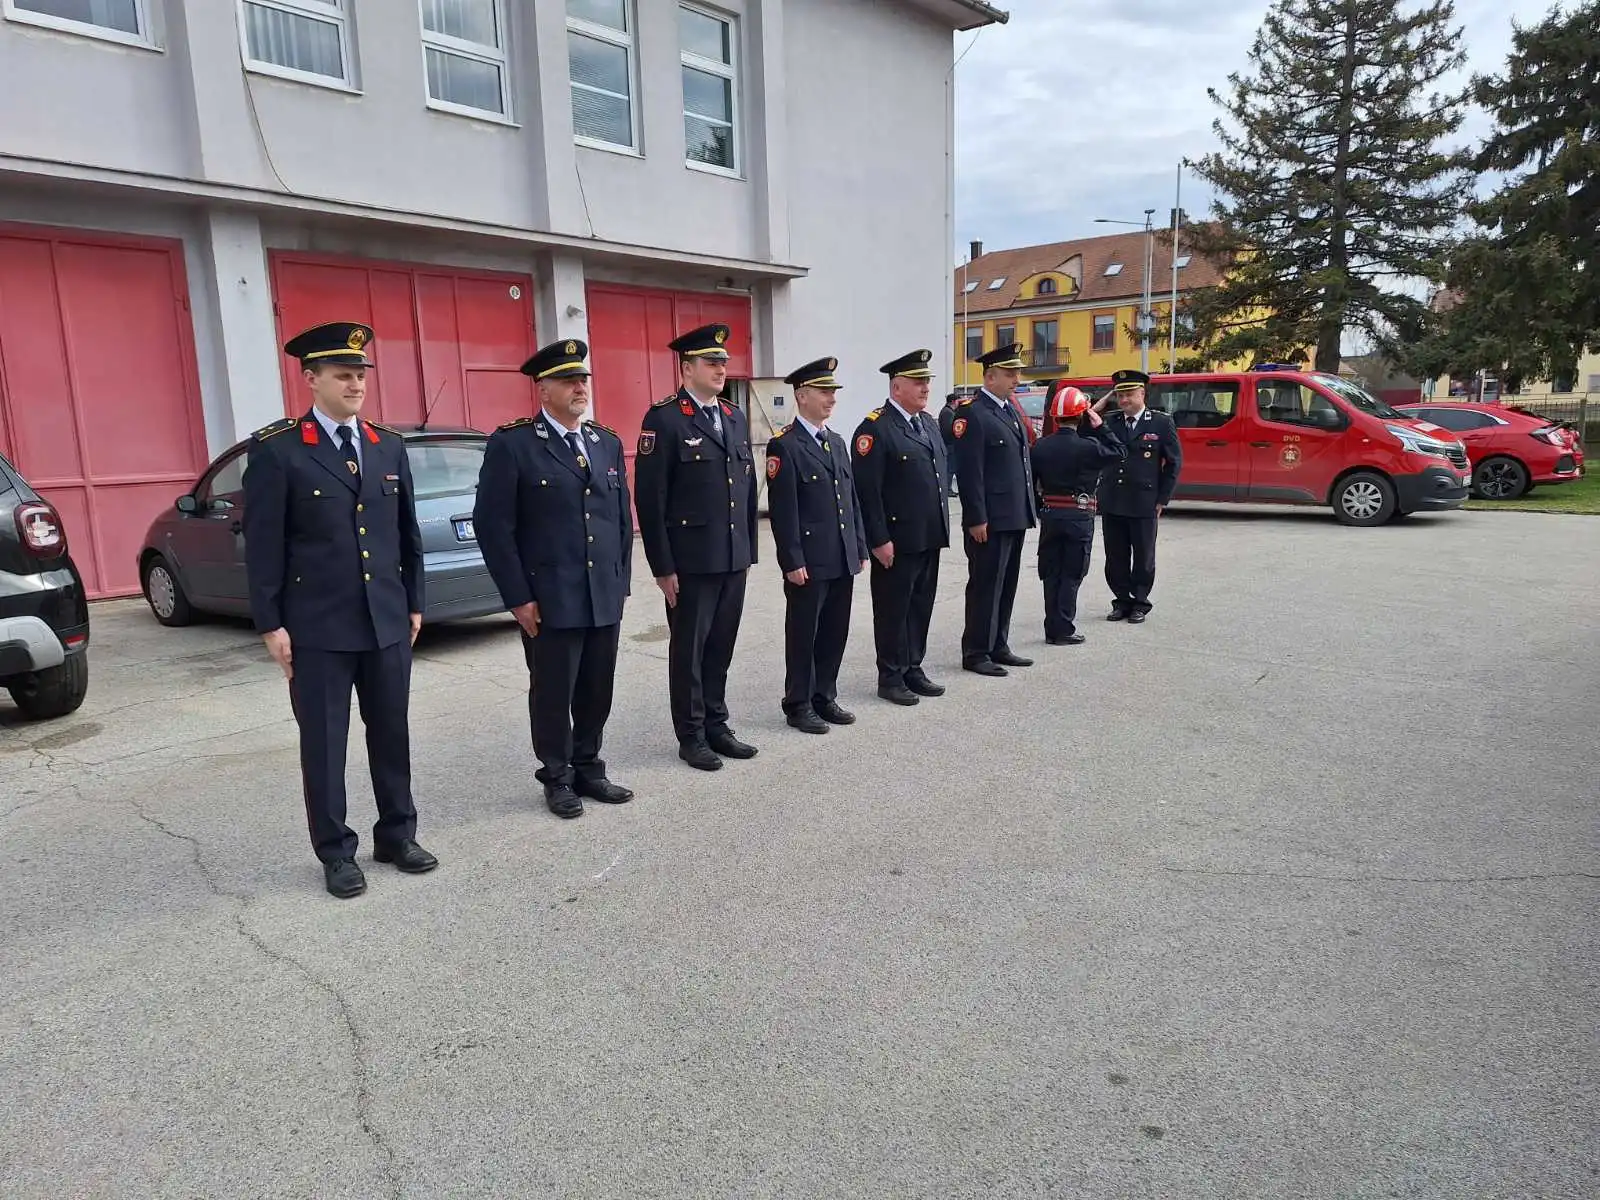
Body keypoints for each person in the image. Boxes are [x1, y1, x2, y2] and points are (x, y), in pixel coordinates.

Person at [242, 321, 436, 899]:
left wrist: (415, 603)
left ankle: (397, 835)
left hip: (385, 619)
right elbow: (263, 544)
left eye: (360, 375)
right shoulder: (278, 450)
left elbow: (407, 536)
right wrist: (270, 623)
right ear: (311, 378)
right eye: (342, 375)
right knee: (324, 743)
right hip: (317, 625)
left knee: (391, 733)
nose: (355, 384)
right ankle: (335, 851)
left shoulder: (386, 444)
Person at [473, 338, 634, 820]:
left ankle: (589, 765)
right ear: (543, 389)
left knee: (596, 685)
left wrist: (620, 580)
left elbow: (621, 520)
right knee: (553, 689)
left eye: (583, 378)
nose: (580, 386)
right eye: (568, 380)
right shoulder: (514, 444)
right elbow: (493, 527)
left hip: (601, 591)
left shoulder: (604, 442)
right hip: (550, 595)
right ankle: (557, 775)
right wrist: (518, 597)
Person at [633, 323, 760, 771]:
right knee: (689, 648)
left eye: (724, 362)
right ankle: (691, 734)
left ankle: (716, 724)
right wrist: (663, 567)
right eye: (712, 362)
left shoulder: (733, 416)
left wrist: (748, 551)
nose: (721, 369)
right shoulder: (664, 419)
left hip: (731, 556)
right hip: (690, 561)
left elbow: (747, 487)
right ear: (687, 367)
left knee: (721, 643)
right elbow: (650, 499)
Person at [765, 357, 868, 733]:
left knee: (834, 630)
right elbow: (784, 511)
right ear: (802, 395)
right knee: (804, 634)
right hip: (809, 561)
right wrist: (791, 560)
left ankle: (825, 695)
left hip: (841, 556)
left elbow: (851, 500)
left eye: (833, 392)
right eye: (825, 392)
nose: (832, 399)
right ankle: (798, 702)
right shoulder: (785, 447)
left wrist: (858, 546)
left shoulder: (837, 443)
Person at [851, 349, 950, 706]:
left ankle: (912, 667)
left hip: (928, 535)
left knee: (921, 604)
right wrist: (878, 539)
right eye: (918, 382)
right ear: (896, 387)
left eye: (927, 381)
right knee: (894, 608)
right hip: (896, 539)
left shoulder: (928, 424)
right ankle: (890, 676)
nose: (925, 387)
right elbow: (868, 491)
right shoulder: (875, 429)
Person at [951, 342, 1037, 676]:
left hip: (1013, 514)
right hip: (989, 519)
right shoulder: (973, 413)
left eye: (1017, 372)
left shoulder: (1008, 409)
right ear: (990, 377)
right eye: (1010, 373)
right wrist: (976, 517)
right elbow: (970, 471)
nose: (1017, 378)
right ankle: (976, 652)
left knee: (1006, 583)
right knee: (986, 584)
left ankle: (998, 644)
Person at [1030, 382, 1126, 645]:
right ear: (1081, 415)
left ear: (1055, 416)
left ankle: (1052, 627)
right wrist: (1100, 425)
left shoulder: (1040, 446)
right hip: (1078, 516)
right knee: (1072, 574)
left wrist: (1041, 509)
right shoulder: (1089, 447)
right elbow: (1120, 452)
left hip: (1051, 515)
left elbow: (1030, 483)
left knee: (1050, 572)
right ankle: (1063, 629)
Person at [1093, 368, 1182, 623]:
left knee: (1143, 556)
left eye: (1129, 395)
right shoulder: (1110, 420)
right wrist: (1099, 404)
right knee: (1116, 556)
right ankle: (1121, 601)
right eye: (1119, 396)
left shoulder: (1160, 422)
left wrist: (1162, 498)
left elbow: (1173, 463)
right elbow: (1083, 426)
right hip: (1113, 499)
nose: (1123, 401)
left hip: (1144, 501)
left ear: (1142, 393)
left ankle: (1140, 602)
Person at [938, 391, 962, 496]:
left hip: (950, 444)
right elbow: (949, 429)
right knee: (950, 468)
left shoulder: (948, 412)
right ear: (953, 401)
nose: (958, 403)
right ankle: (947, 489)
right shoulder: (947, 413)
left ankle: (948, 488)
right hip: (949, 444)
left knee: (951, 467)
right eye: (957, 401)